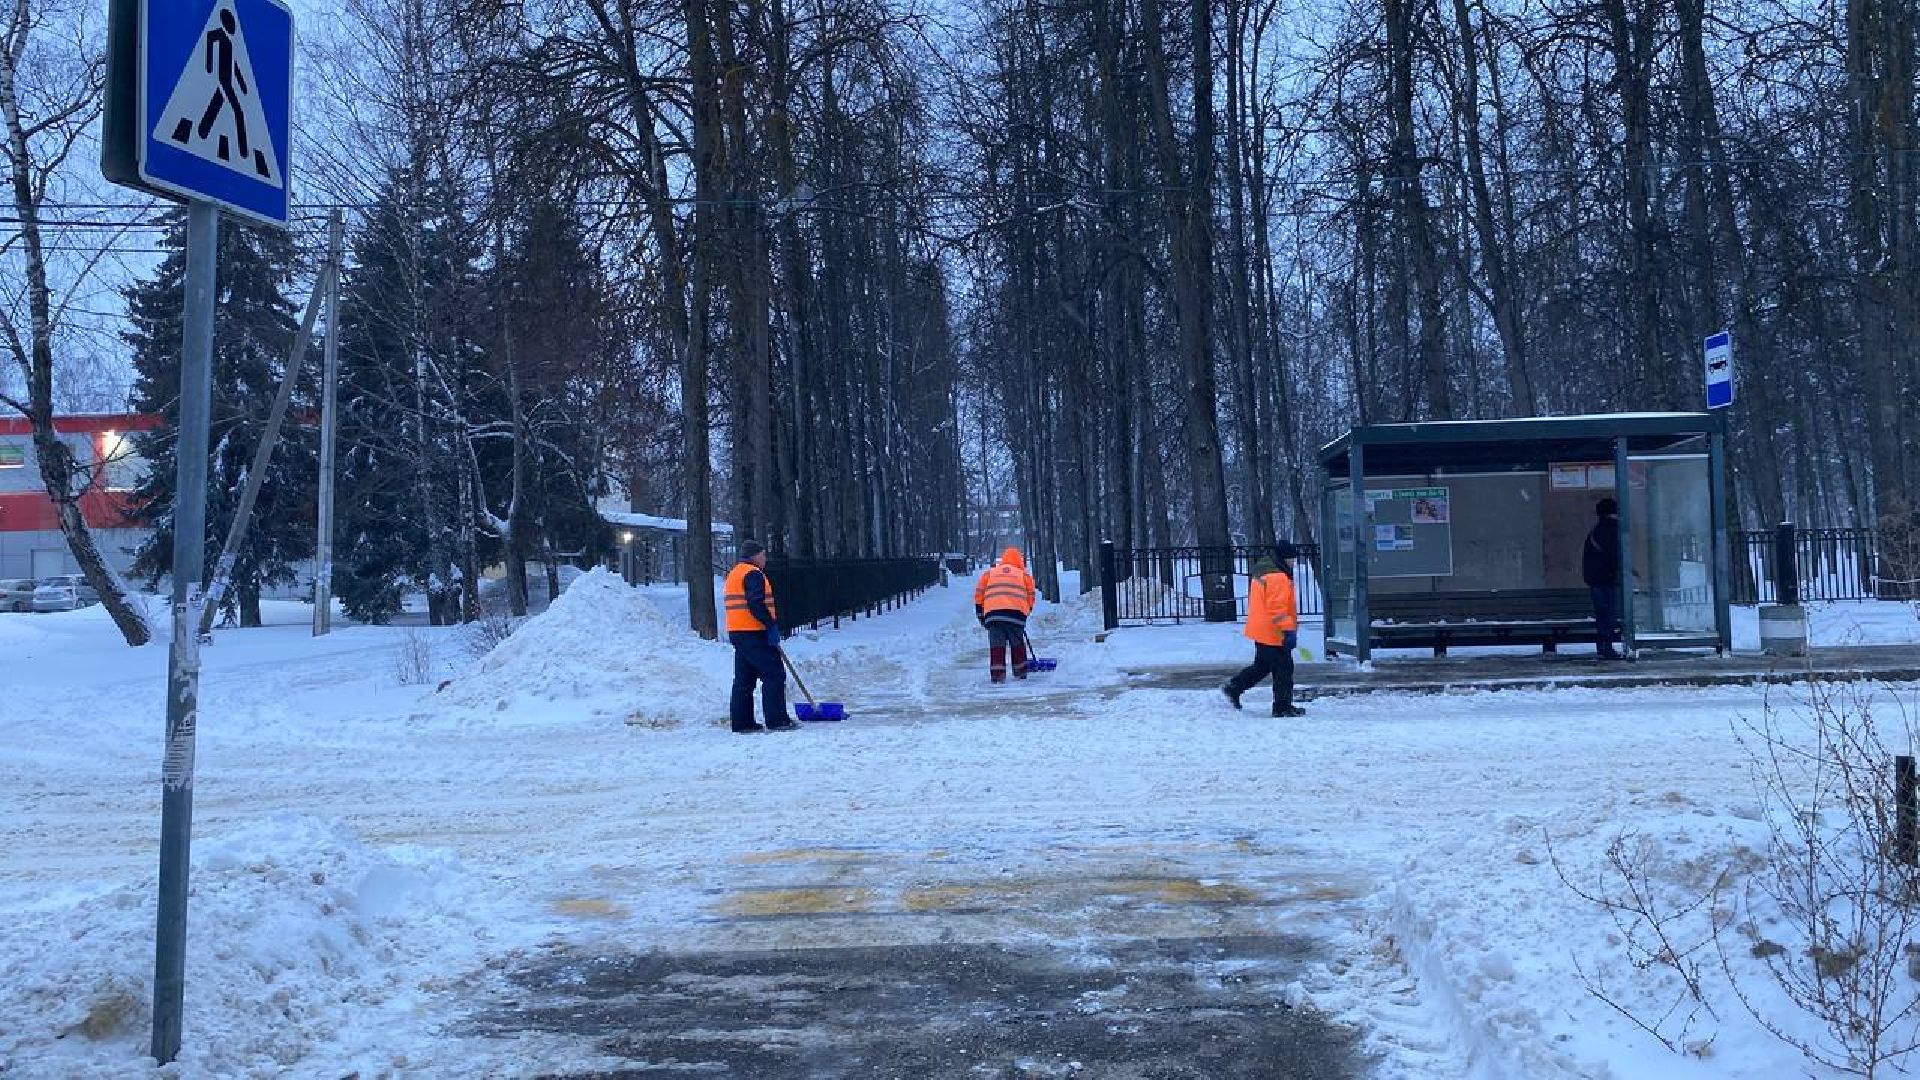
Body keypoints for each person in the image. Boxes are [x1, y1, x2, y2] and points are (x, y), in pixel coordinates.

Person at [1223, 541, 1304, 717]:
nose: (1294, 562)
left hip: (1262, 629)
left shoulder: (1265, 571)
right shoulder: (1278, 577)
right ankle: (1282, 708)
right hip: (1273, 631)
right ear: (1284, 558)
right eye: (1292, 559)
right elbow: (1277, 608)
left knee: (1262, 666)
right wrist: (1288, 630)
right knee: (1284, 669)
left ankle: (1234, 687)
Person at [723, 541, 798, 733]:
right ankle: (777, 720)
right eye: (763, 555)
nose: (765, 559)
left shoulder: (734, 573)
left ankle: (742, 722)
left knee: (744, 679)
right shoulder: (753, 573)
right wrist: (769, 624)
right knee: (773, 674)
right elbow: (755, 602)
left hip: (737, 632)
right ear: (755, 556)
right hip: (754, 632)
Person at [973, 546, 1037, 683]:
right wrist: (1025, 613)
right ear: (1019, 561)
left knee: (997, 646)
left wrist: (981, 616)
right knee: (1017, 644)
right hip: (1016, 616)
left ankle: (997, 675)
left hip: (993, 616)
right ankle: (1020, 672)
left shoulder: (989, 574)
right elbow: (1031, 596)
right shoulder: (1023, 575)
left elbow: (979, 595)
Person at [1583, 498, 1624, 660]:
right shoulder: (1612, 529)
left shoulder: (1596, 530)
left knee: (1602, 614)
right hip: (1607, 579)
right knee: (1608, 614)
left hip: (1595, 579)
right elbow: (1615, 554)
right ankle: (1607, 647)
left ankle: (1603, 646)